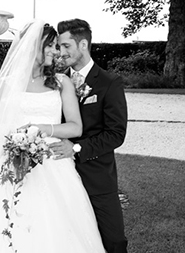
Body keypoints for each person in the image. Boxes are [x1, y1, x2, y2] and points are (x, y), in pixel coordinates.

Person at [0, 19, 106, 252]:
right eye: (50, 45)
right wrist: (11, 149)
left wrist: (42, 129)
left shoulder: (61, 83)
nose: (56, 51)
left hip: (52, 164)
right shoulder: (6, 84)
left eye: (57, 46)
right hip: (11, 167)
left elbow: (75, 127)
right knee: (5, 225)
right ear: (33, 47)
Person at [50, 18, 128, 253]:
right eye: (58, 47)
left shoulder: (109, 83)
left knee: (113, 240)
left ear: (83, 45)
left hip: (97, 177)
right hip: (59, 175)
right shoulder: (54, 81)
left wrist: (75, 149)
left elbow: (116, 134)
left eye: (66, 46)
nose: (60, 53)